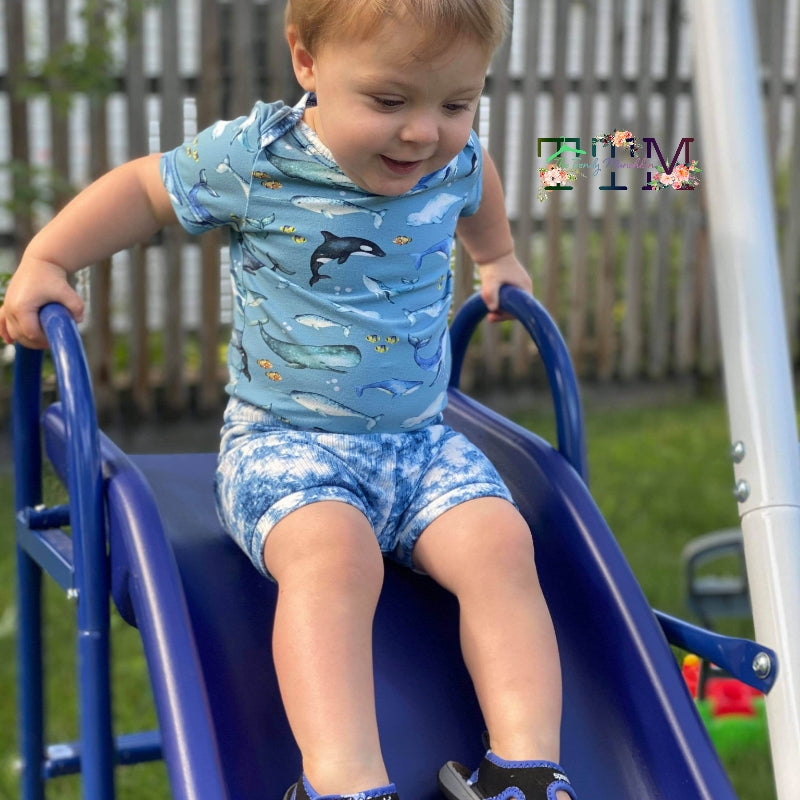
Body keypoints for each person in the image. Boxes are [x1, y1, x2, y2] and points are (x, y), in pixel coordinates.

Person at [0, 2, 578, 799]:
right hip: (285, 444)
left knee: (502, 543)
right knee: (334, 558)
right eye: (389, 100)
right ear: (307, 62)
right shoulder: (257, 157)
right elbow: (143, 190)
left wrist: (499, 257)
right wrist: (47, 259)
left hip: (421, 442)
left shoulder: (451, 157)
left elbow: (475, 179)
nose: (423, 133)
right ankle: (341, 782)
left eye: (457, 103)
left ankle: (524, 769)